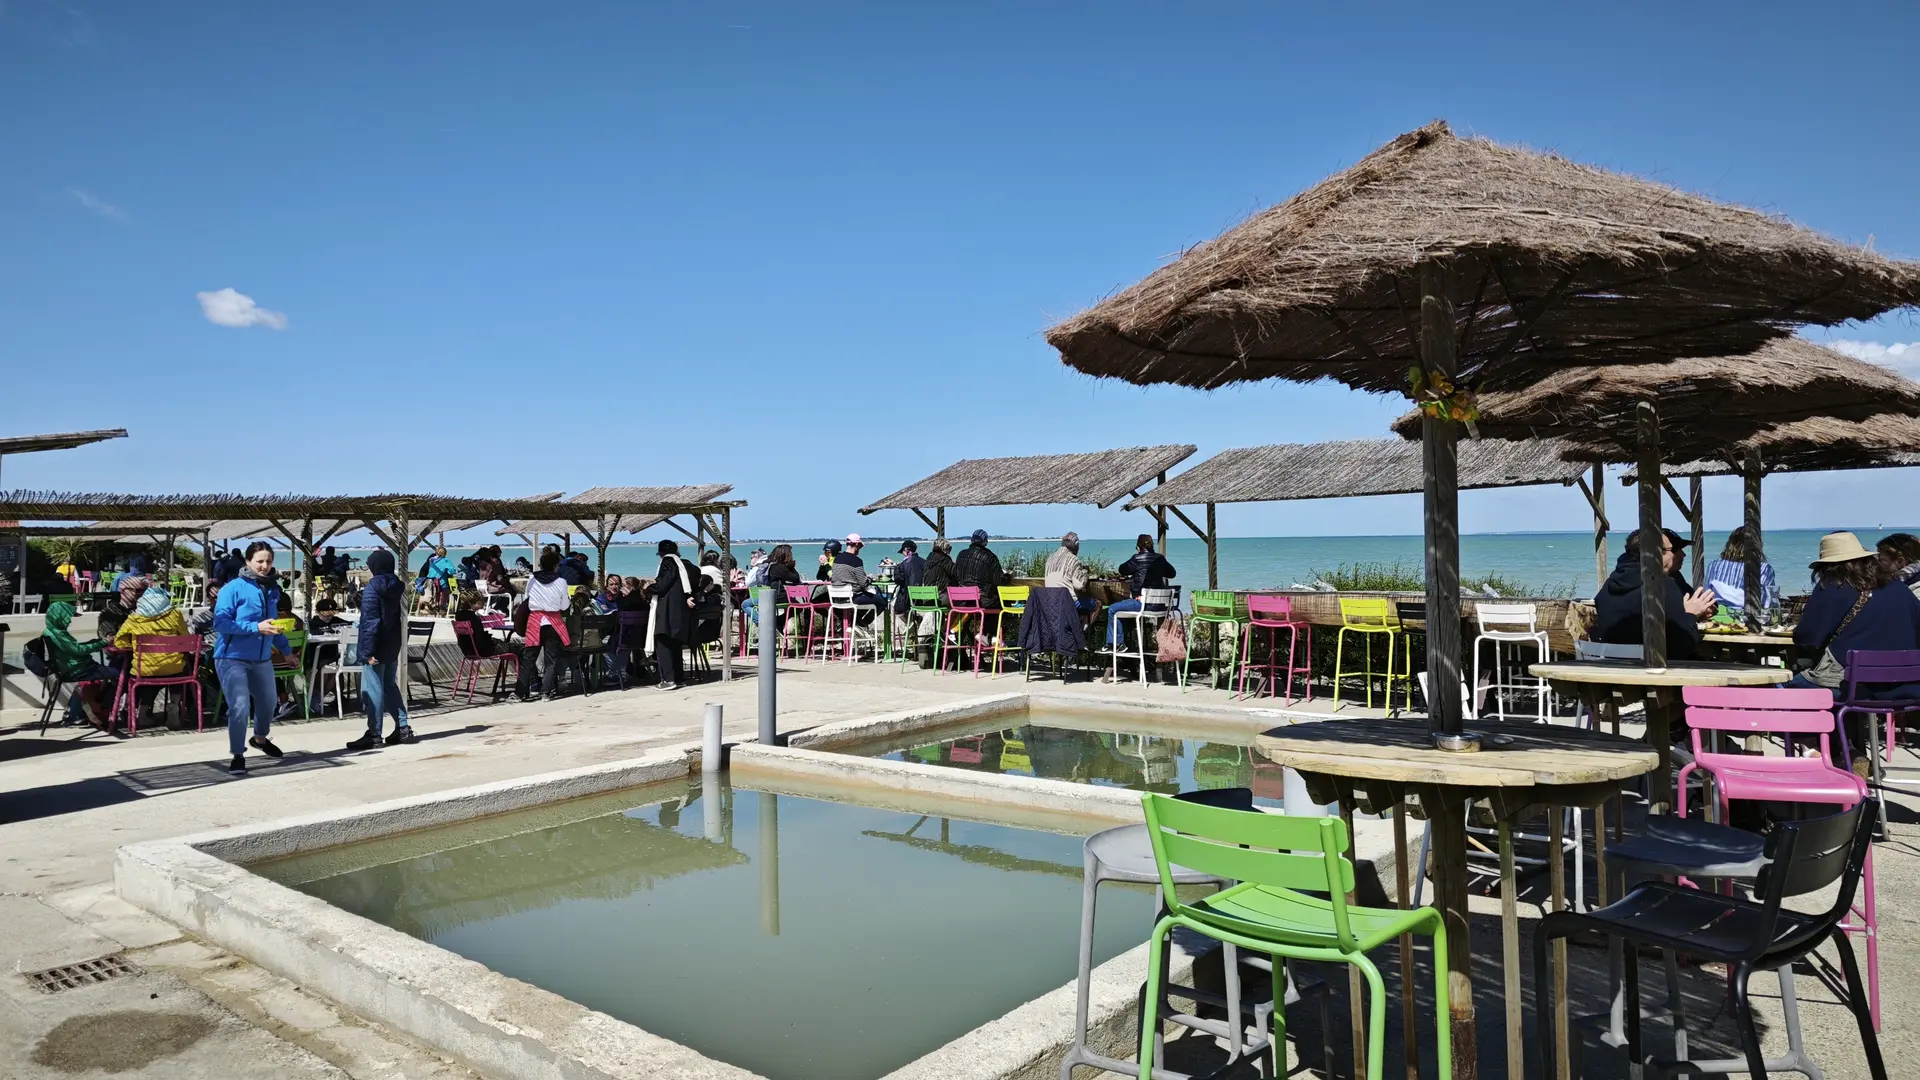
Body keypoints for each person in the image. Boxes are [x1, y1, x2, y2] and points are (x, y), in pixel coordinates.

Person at [1792, 532, 1920, 693]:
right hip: (1905, 688)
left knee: (1785, 687)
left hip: (1852, 687)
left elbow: (1807, 638)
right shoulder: (1899, 587)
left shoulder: (1832, 585)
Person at [212, 541, 290, 773]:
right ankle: (237, 754)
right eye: (260, 561)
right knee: (240, 706)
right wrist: (255, 627)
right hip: (231, 658)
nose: (265, 566)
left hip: (262, 659)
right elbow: (221, 622)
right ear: (248, 562)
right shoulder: (232, 589)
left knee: (268, 702)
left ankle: (260, 739)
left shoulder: (272, 590)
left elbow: (272, 626)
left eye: (268, 561)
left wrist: (287, 651)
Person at [1591, 528, 1718, 660]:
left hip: (1612, 668)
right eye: (1672, 550)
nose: (1682, 555)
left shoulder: (1608, 586)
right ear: (1655, 554)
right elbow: (1685, 644)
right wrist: (1690, 615)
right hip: (1651, 671)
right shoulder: (1662, 587)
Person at [347, 549, 415, 750]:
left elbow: (370, 622)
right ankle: (402, 726)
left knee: (373, 688)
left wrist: (367, 652)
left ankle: (374, 734)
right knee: (389, 686)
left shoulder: (372, 589)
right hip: (392, 643)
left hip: (376, 645)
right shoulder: (396, 587)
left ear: (374, 566)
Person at [114, 584, 190, 726]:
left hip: (145, 668)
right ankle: (173, 705)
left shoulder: (134, 617)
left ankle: (142, 712)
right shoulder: (175, 614)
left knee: (151, 673)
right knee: (180, 670)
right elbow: (185, 639)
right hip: (173, 668)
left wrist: (134, 646)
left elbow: (119, 641)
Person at [41, 600, 114, 725]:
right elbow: (78, 650)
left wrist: (94, 643)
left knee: (112, 674)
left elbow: (73, 648)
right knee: (121, 674)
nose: (69, 621)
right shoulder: (58, 634)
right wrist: (104, 642)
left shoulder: (51, 631)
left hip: (70, 669)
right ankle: (102, 707)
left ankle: (84, 708)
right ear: (59, 617)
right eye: (67, 618)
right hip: (78, 670)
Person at [517, 549, 573, 700]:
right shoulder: (561, 582)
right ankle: (545, 693)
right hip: (553, 622)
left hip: (535, 621)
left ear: (541, 564)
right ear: (556, 565)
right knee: (551, 660)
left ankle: (519, 692)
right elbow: (564, 606)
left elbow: (527, 598)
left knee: (529, 659)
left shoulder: (532, 579)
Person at [1107, 534, 1177, 645]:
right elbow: (1172, 573)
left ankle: (1115, 645)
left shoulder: (1136, 559)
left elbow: (1122, 569)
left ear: (1138, 547)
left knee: (1113, 609)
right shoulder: (1160, 559)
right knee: (1124, 609)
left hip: (1142, 604)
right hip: (1160, 606)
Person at [647, 540, 697, 691]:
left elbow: (663, 585)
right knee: (675, 643)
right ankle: (679, 677)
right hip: (680, 609)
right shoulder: (684, 565)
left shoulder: (667, 561)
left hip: (667, 609)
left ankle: (668, 679)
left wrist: (649, 588)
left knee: (663, 642)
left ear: (661, 553)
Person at [1703, 526, 1779, 616]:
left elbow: (1706, 595)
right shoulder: (1763, 569)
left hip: (1720, 617)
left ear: (1729, 544)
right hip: (1751, 618)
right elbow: (1768, 602)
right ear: (1757, 545)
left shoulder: (1713, 565)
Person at [1044, 532, 1100, 628]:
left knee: (1082, 603)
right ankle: (1082, 634)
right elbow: (1079, 585)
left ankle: (1077, 626)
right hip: (1067, 602)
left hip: (1050, 602)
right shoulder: (1073, 559)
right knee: (1097, 604)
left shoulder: (1050, 558)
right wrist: (1084, 573)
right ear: (1076, 547)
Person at [829, 533, 886, 616]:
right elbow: (863, 584)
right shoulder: (857, 561)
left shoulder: (837, 559)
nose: (860, 549)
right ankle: (863, 622)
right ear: (856, 544)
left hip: (836, 597)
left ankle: (855, 621)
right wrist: (870, 578)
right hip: (854, 597)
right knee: (882, 601)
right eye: (860, 546)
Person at [955, 530, 1006, 608]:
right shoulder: (990, 556)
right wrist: (1008, 577)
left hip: (962, 599)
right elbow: (998, 581)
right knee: (1001, 601)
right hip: (982, 599)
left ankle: (975, 620)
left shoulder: (961, 554)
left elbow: (956, 574)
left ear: (972, 540)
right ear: (985, 542)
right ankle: (992, 620)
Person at [96, 573, 146, 644]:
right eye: (131, 589)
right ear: (122, 590)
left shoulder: (146, 611)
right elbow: (109, 637)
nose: (136, 593)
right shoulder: (110, 613)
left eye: (141, 590)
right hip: (121, 652)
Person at [1876, 532, 1920, 601]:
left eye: (1881, 560)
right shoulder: (1904, 582)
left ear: (1900, 562)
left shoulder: (1916, 591)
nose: (1876, 564)